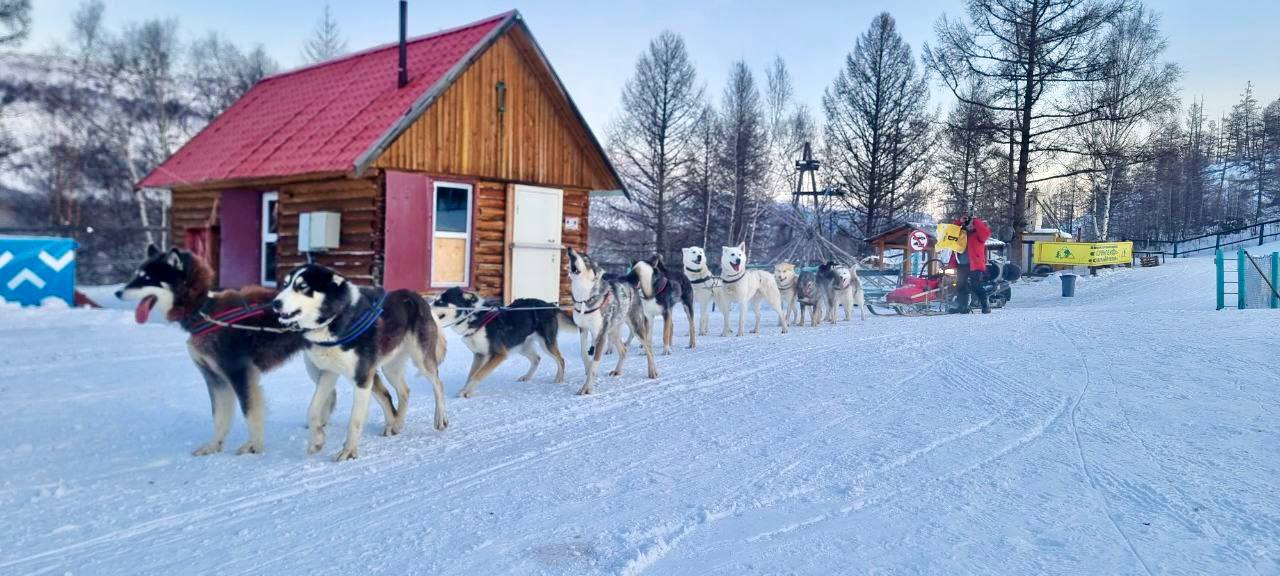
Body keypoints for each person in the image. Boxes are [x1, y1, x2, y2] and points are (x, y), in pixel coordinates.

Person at [948, 215, 992, 314]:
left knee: (976, 285)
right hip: (961, 264)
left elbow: (985, 233)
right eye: (968, 224)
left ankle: (985, 305)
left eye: (971, 224)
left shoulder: (978, 235)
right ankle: (962, 306)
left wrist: (976, 220)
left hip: (974, 265)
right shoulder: (960, 234)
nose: (969, 226)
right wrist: (959, 221)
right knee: (960, 285)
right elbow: (950, 233)